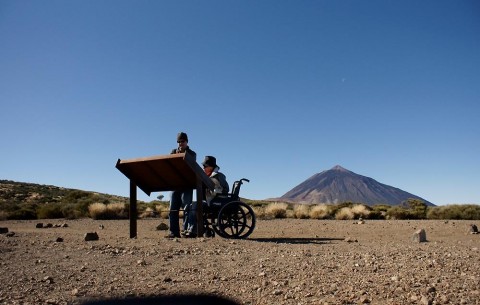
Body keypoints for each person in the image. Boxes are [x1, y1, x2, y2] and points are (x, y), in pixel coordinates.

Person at [183, 155, 229, 237]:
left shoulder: (218, 176)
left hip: (217, 201)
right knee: (189, 206)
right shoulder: (206, 176)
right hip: (209, 200)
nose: (203, 167)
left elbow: (221, 190)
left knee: (194, 205)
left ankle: (193, 230)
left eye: (205, 166)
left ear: (211, 167)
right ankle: (189, 228)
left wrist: (211, 192)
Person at [166, 132, 196, 238]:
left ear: (187, 142)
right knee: (172, 209)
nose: (180, 143)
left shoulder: (192, 153)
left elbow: (189, 166)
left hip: (187, 185)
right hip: (175, 185)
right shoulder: (173, 152)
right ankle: (173, 232)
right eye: (178, 142)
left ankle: (186, 231)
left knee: (187, 208)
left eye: (182, 141)